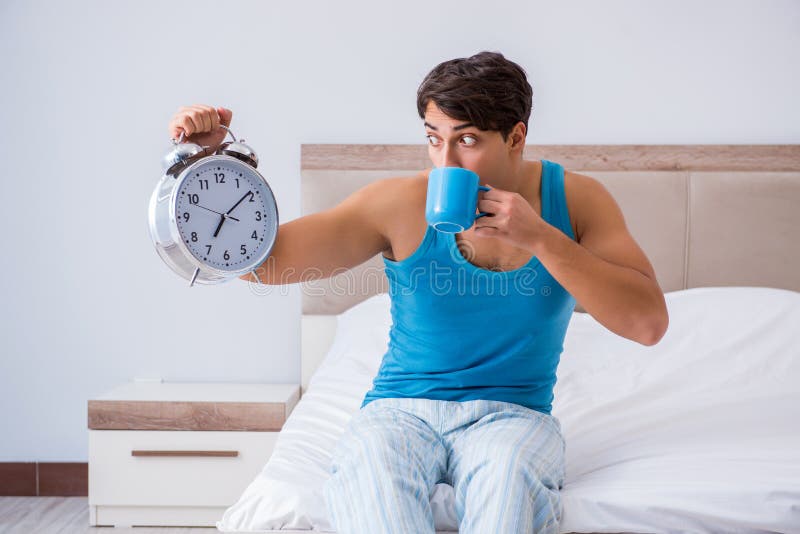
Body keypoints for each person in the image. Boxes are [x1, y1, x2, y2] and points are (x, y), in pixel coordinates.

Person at [168, 51, 668, 534]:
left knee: (508, 475)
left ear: (516, 137)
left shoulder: (576, 201)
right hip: (400, 410)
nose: (444, 163)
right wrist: (211, 163)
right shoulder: (400, 203)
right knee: (371, 466)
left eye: (467, 140)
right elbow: (264, 264)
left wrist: (539, 236)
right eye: (434, 139)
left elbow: (647, 324)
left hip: (514, 416)